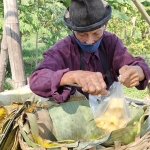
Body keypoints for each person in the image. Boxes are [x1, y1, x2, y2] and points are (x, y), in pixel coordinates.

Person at [29, 0, 150, 103]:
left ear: (105, 25)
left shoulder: (111, 43)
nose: (89, 41)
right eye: (82, 35)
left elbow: (139, 66)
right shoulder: (62, 50)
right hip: (75, 119)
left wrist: (137, 72)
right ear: (72, 29)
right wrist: (73, 76)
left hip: (108, 114)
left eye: (96, 33)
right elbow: (37, 80)